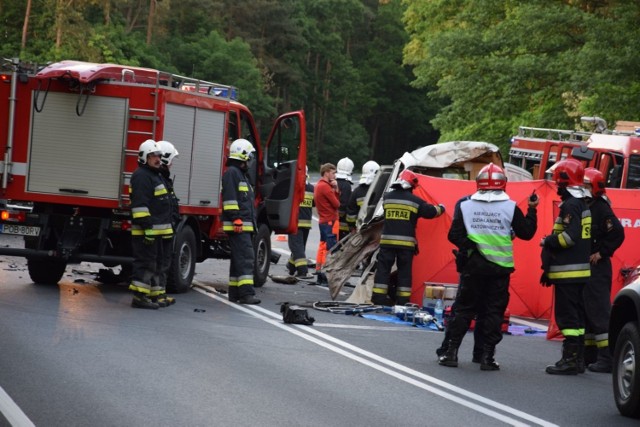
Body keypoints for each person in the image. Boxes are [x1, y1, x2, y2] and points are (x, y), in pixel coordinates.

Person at [438, 163, 538, 370]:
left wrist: (472, 246)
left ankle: (451, 353)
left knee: (464, 310)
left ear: (479, 183)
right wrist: (532, 209)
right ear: (503, 184)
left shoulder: (465, 205)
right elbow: (527, 233)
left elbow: (453, 235)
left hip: (472, 268)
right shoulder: (510, 206)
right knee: (493, 312)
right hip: (499, 270)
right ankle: (486, 358)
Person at [541, 158, 591, 375]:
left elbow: (568, 239)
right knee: (577, 318)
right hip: (578, 271)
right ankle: (578, 359)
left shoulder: (571, 205)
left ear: (564, 181)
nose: (557, 186)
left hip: (568, 272)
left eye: (558, 182)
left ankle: (570, 361)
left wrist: (548, 241)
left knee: (568, 318)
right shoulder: (582, 205)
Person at [371, 169, 445, 306]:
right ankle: (403, 301)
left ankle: (378, 298)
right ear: (411, 185)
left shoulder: (387, 197)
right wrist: (441, 207)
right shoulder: (415, 201)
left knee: (383, 269)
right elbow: (431, 212)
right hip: (406, 245)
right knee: (404, 272)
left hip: (387, 242)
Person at [582, 167, 625, 373]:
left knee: (599, 313)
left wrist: (602, 253)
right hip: (586, 267)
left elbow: (617, 232)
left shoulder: (601, 207)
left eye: (586, 185)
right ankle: (588, 355)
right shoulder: (585, 205)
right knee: (587, 312)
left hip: (597, 268)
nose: (582, 188)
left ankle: (607, 358)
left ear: (595, 188)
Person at [128, 139, 175, 309]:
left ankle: (155, 295)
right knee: (145, 264)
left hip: (156, 233)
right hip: (146, 232)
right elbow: (140, 206)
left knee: (156, 264)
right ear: (143, 158)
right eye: (153, 156)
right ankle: (139, 298)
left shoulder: (155, 175)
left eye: (158, 155)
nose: (157, 159)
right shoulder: (141, 176)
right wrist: (147, 228)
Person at [221, 138, 260, 304]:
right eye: (249, 156)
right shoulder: (232, 173)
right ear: (243, 155)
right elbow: (230, 199)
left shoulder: (241, 175)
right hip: (239, 225)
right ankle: (246, 294)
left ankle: (235, 293)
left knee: (239, 259)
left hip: (243, 225)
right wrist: (236, 218)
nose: (251, 160)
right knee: (246, 258)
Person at [152, 140, 180, 307]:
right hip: (160, 230)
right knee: (159, 263)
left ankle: (159, 294)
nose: (172, 165)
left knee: (163, 262)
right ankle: (156, 294)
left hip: (165, 228)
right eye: (171, 160)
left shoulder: (162, 178)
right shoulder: (158, 178)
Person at [314, 163, 341, 285]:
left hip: (323, 220)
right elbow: (337, 204)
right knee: (330, 249)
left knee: (322, 246)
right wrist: (335, 189)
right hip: (330, 220)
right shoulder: (325, 187)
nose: (334, 175)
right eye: (333, 172)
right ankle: (326, 274)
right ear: (327, 173)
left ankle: (319, 271)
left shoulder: (319, 185)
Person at [287, 167, 315, 279]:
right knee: (299, 247)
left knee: (297, 247)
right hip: (306, 223)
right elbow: (314, 204)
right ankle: (291, 266)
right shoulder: (311, 188)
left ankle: (302, 271)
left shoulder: (293, 188)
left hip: (295, 223)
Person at [346, 160, 380, 232]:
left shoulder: (356, 191)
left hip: (360, 229)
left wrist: (352, 227)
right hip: (378, 229)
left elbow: (350, 213)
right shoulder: (381, 190)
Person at [336, 157, 354, 240]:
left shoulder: (333, 181)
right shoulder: (346, 185)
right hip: (342, 224)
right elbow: (344, 203)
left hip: (331, 222)